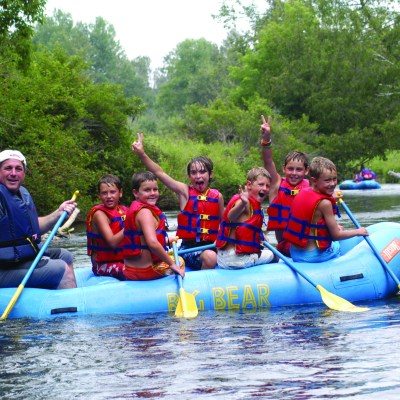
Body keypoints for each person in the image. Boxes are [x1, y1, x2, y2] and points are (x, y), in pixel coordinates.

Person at [132, 133, 224, 270]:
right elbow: (160, 173)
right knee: (210, 257)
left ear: (211, 174)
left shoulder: (218, 196)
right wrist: (142, 154)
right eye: (193, 173)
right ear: (189, 176)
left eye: (202, 172)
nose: (198, 176)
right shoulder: (184, 192)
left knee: (217, 253)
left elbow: (223, 224)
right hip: (189, 249)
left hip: (212, 246)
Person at [0, 149, 77, 289]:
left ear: (24, 173)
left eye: (18, 169)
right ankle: (69, 307)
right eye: (7, 168)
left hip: (19, 260)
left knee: (65, 256)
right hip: (3, 269)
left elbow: (33, 228)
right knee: (61, 268)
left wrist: (58, 214)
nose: (13, 173)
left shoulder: (22, 194)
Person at [283, 156, 369, 263]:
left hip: (295, 253)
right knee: (338, 245)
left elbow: (312, 217)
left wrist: (331, 197)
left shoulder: (303, 192)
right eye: (327, 180)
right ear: (314, 181)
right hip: (312, 256)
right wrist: (358, 231)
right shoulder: (325, 203)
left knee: (337, 230)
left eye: (334, 179)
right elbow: (336, 236)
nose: (332, 184)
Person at [260, 115, 310, 257]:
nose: (294, 173)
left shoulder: (311, 188)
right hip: (286, 246)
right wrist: (266, 139)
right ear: (284, 169)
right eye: (290, 169)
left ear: (306, 171)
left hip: (308, 242)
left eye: (299, 169)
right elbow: (268, 161)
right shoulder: (276, 184)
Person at [122, 171, 185, 281]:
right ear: (136, 193)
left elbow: (143, 240)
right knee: (180, 261)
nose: (152, 193)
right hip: (146, 271)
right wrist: (172, 265)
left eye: (155, 189)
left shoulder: (137, 209)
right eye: (147, 190)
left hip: (130, 269)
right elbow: (152, 243)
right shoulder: (145, 212)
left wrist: (165, 241)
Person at [216, 167, 275, 269]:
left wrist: (262, 237)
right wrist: (242, 203)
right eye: (261, 184)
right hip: (236, 259)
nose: (265, 188)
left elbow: (248, 227)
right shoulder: (244, 202)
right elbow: (231, 216)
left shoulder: (252, 202)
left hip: (223, 258)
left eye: (267, 186)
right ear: (249, 185)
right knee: (274, 255)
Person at [86, 174, 128, 280]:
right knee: (131, 270)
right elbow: (112, 243)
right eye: (104, 193)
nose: (109, 196)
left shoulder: (125, 211)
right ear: (99, 195)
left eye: (113, 192)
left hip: (124, 260)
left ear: (120, 193)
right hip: (101, 266)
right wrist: (130, 226)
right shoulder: (99, 214)